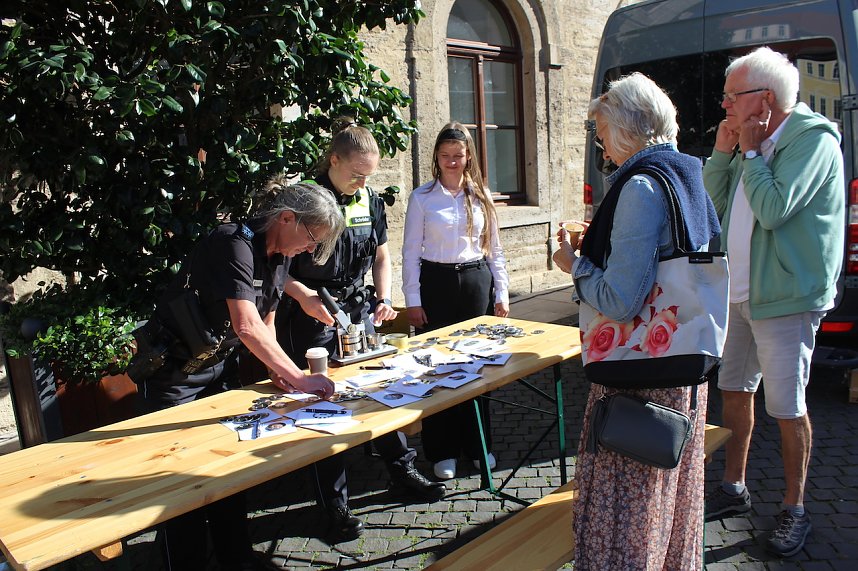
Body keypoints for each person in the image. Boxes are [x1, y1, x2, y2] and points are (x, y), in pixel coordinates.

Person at [130, 178, 344, 570]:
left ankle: (237, 560)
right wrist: (298, 377)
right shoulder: (233, 244)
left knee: (229, 471)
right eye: (313, 237)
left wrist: (274, 370)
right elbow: (245, 326)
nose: (312, 249)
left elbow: (268, 318)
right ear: (285, 218)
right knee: (183, 486)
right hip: (172, 375)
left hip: (216, 368)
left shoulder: (280, 254)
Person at [553, 72, 720, 569]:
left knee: (629, 521)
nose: (601, 145)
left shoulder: (642, 187)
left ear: (627, 129)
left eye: (602, 131)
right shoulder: (687, 175)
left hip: (639, 381)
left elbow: (620, 300)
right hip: (682, 372)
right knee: (667, 516)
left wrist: (574, 265)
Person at [702, 47, 844, 557]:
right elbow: (713, 210)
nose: (723, 105)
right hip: (739, 292)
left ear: (762, 98)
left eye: (730, 97)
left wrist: (753, 152)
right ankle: (734, 487)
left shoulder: (812, 142)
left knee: (787, 408)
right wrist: (725, 155)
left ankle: (795, 508)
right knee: (735, 391)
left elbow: (775, 209)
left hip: (784, 298)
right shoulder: (749, 141)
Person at [275, 118, 445, 542]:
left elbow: (381, 256)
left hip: (358, 309)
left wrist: (384, 298)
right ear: (333, 160)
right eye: (355, 174)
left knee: (379, 389)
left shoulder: (369, 199)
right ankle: (334, 506)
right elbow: (278, 268)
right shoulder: (304, 200)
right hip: (311, 315)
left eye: (368, 175)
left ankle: (401, 473)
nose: (362, 182)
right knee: (322, 406)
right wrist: (305, 299)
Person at [402, 122, 510, 481]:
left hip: (476, 281)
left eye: (458, 155)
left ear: (468, 157)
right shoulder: (422, 198)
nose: (452, 161)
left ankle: (479, 445)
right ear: (436, 156)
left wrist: (502, 292)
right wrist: (413, 299)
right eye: (446, 155)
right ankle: (441, 449)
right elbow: (408, 254)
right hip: (437, 284)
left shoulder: (481, 195)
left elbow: (495, 249)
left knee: (477, 365)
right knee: (438, 366)